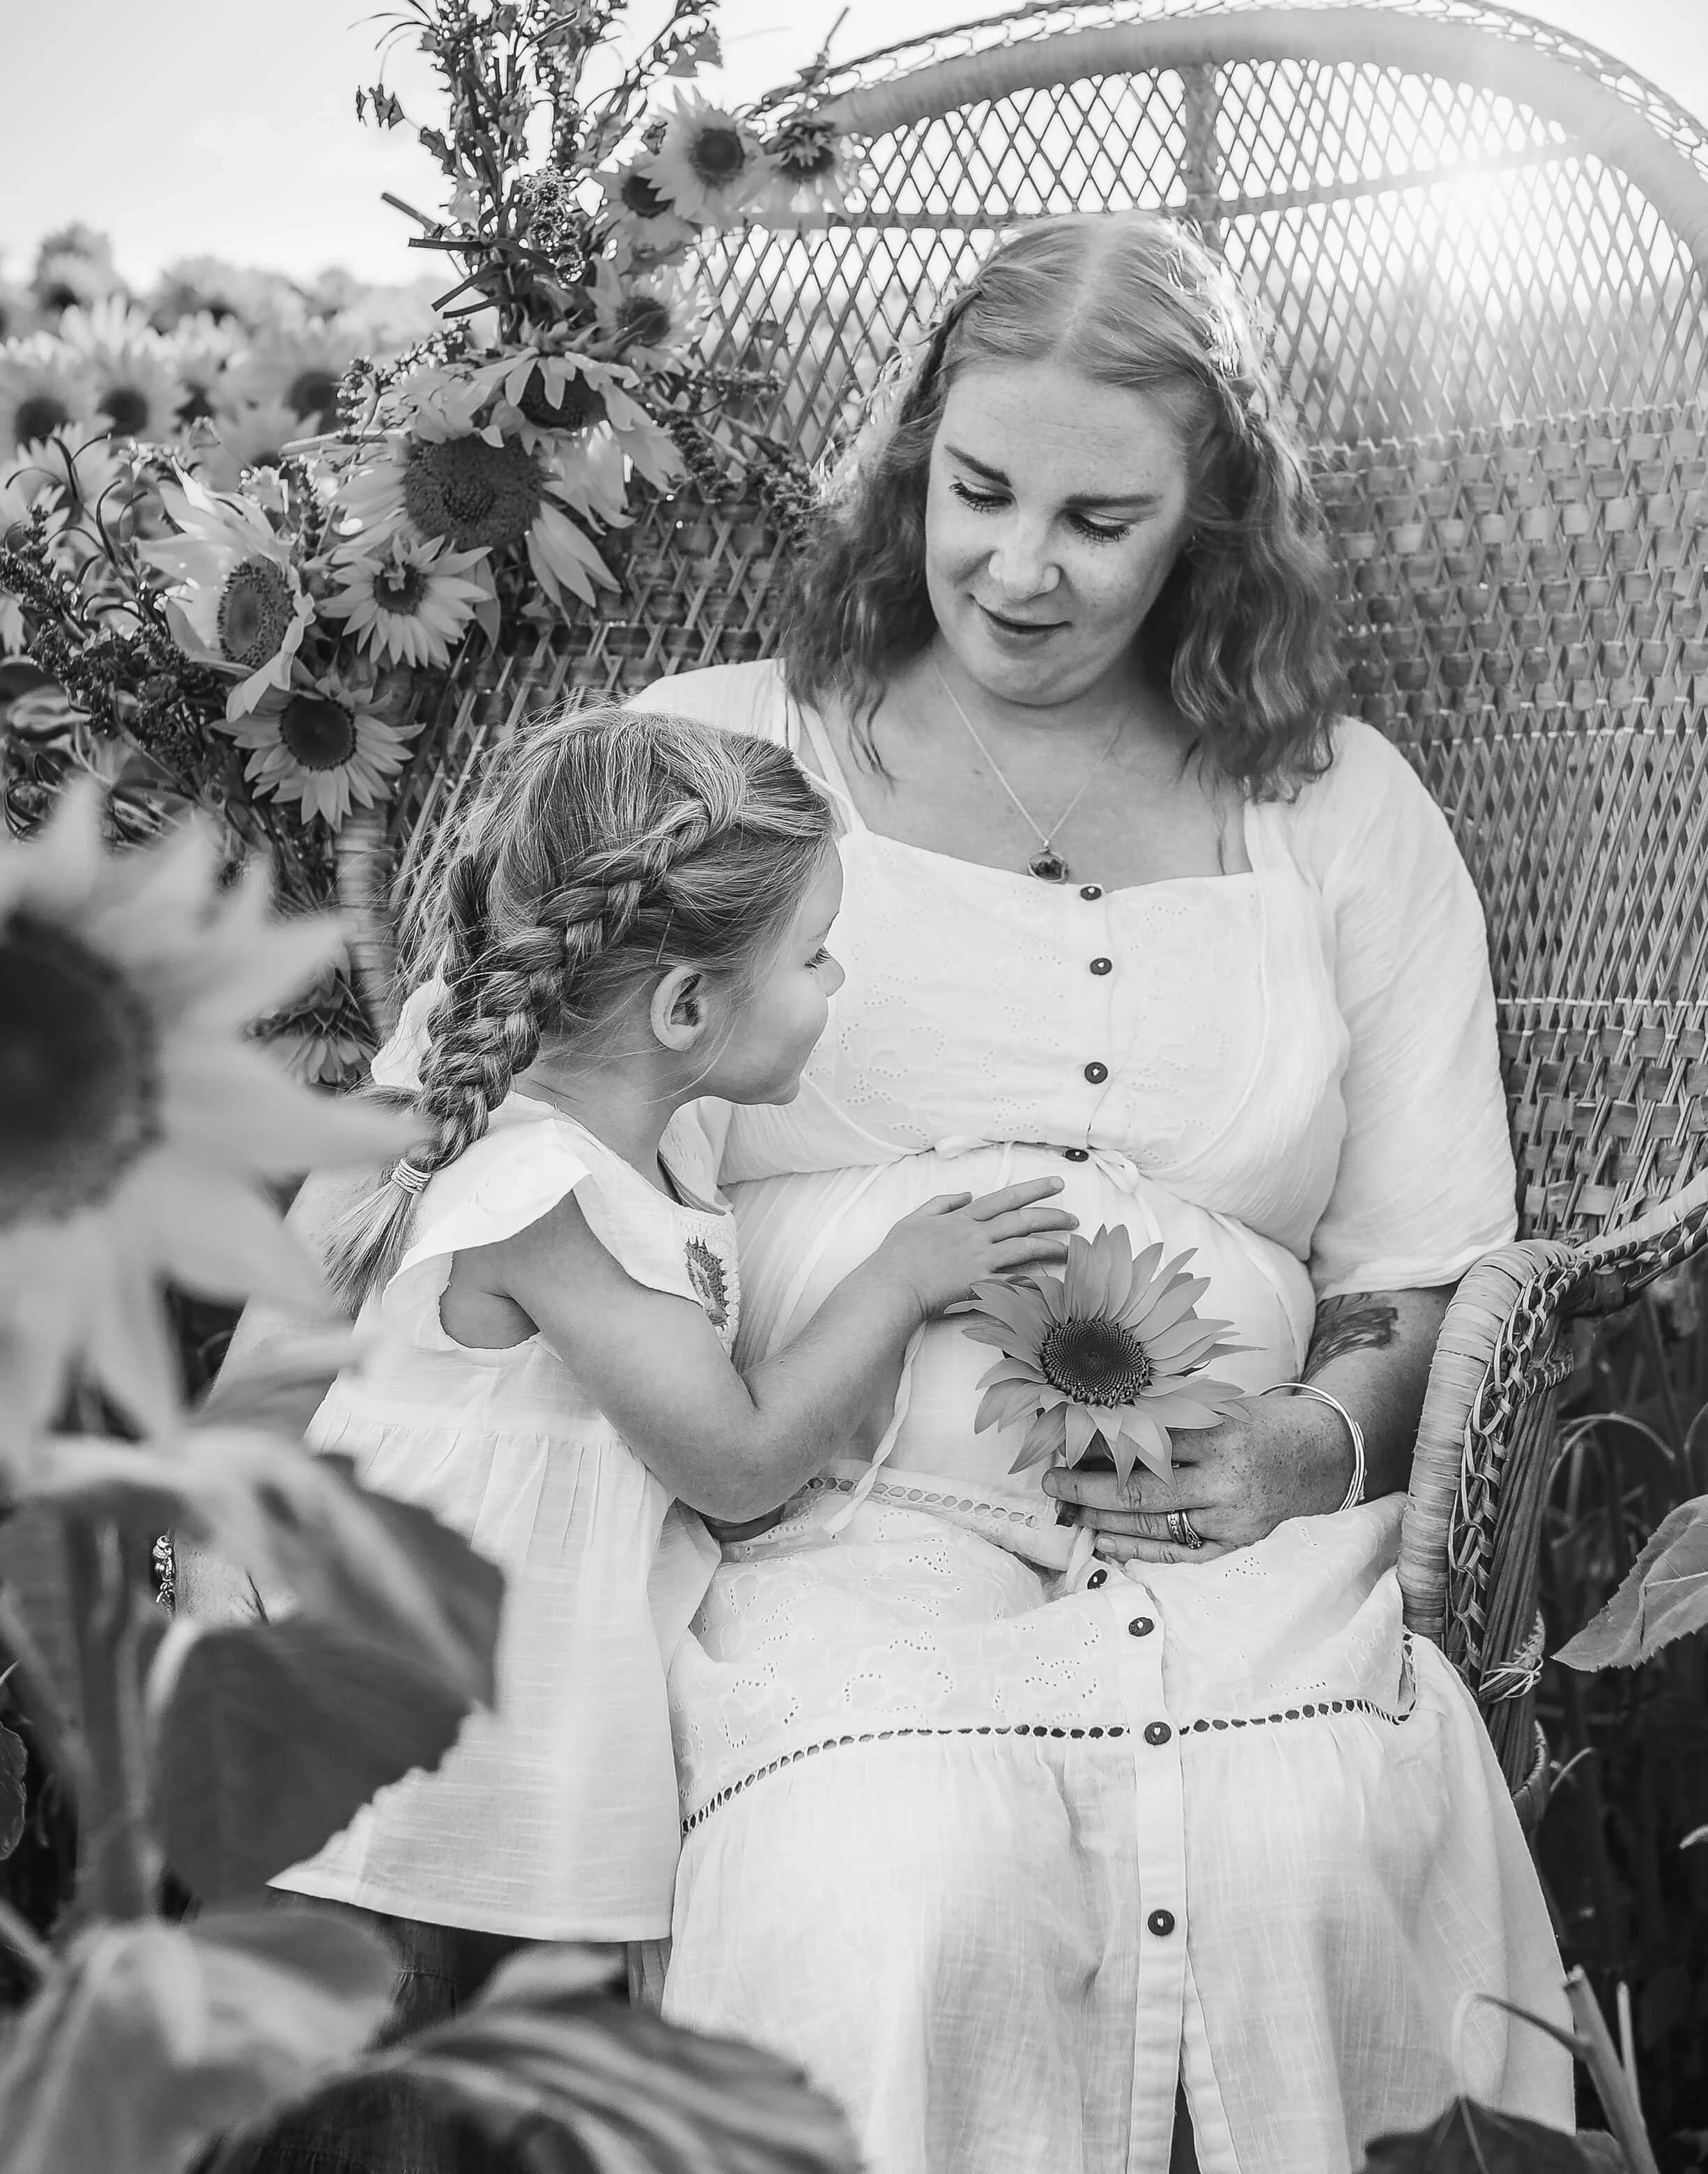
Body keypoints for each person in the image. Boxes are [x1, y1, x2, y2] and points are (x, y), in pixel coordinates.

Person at [630, 213, 1574, 2174]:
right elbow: (484, 1140)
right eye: (977, 492)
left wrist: (1298, 1446)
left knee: (1312, 1842)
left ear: (1208, 519)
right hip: (826, 1539)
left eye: (1099, 519)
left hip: (1242, 1568)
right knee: (896, 1872)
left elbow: (1426, 1270)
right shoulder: (719, 757)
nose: (1018, 568)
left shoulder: (1336, 811)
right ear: (913, 464)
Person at [212, 704, 1074, 2174]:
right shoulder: (536, 1197)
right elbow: (734, 1465)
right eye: (813, 956)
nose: (835, 983)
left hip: (477, 1781)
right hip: (399, 1827)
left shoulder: (606, 1132)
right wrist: (898, 1279)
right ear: (681, 1009)